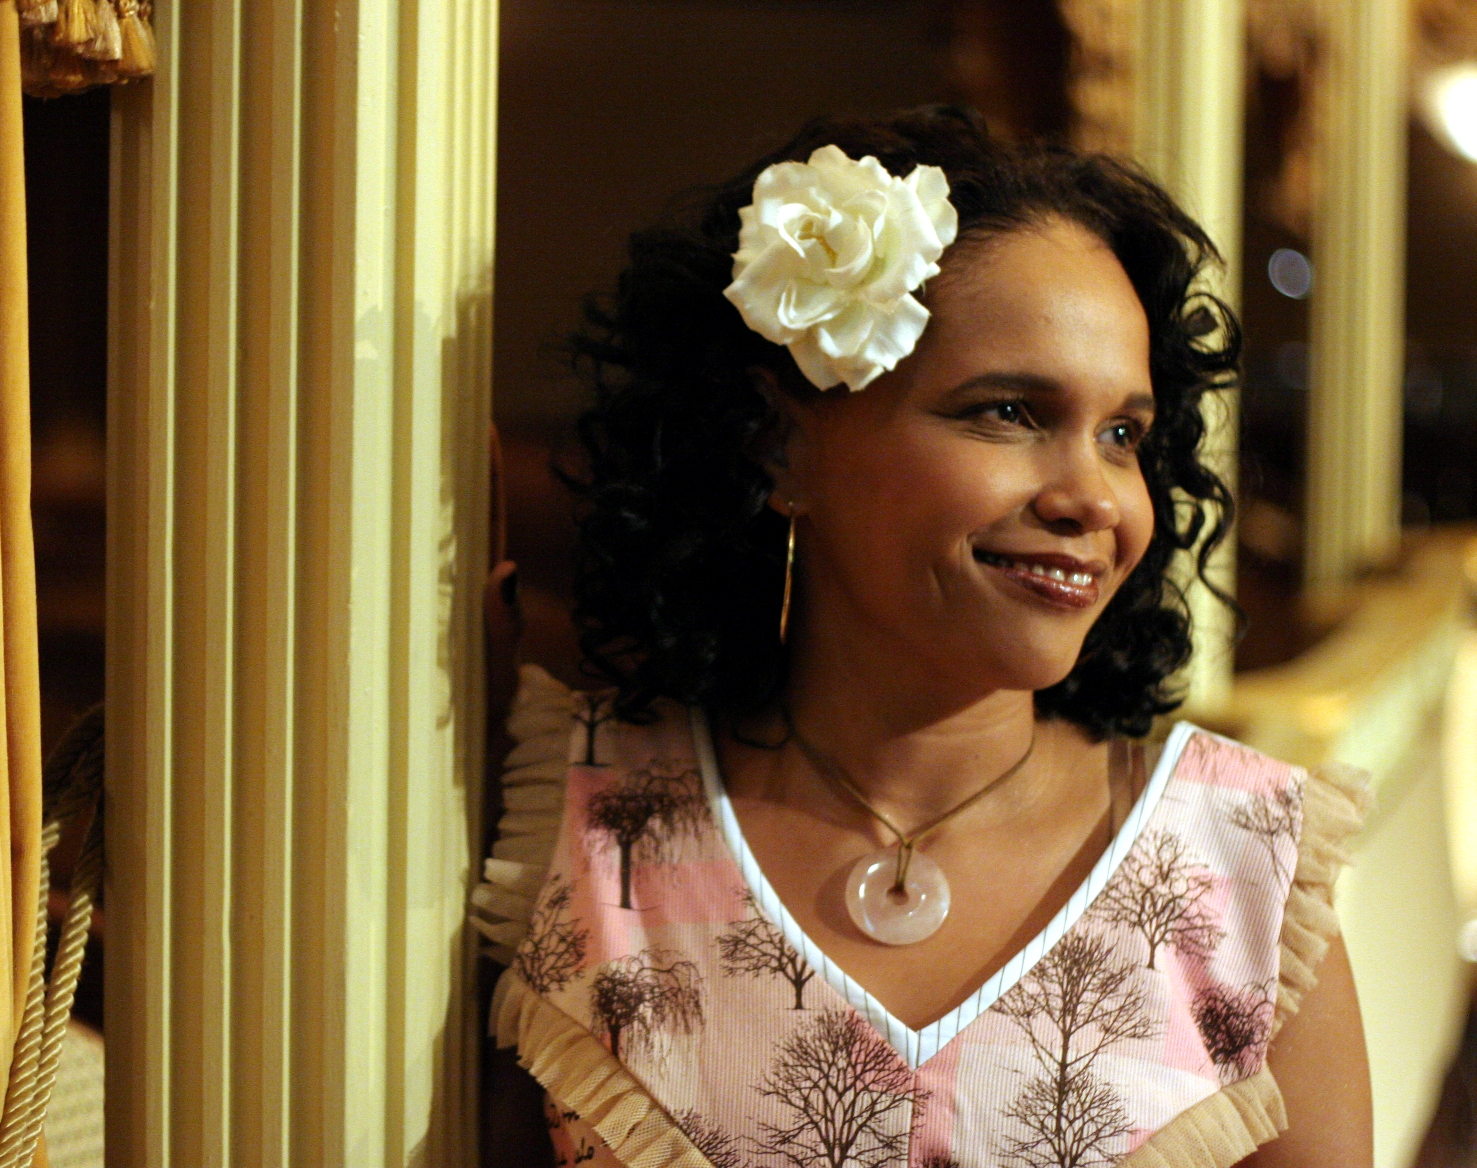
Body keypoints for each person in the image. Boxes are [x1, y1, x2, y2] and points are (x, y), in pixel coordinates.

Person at [472, 106, 1371, 1168]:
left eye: (1123, 433)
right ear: (778, 443)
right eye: (1010, 412)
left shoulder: (1243, 870)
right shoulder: (584, 830)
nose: (1094, 496)